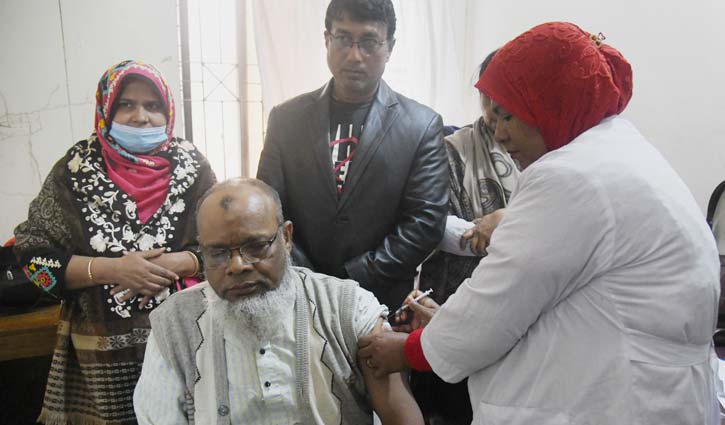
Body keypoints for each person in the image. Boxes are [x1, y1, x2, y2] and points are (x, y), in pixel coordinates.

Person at [359, 22, 721, 424]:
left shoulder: (572, 176)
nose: (500, 133)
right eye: (492, 117)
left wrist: (408, 350)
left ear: (549, 103)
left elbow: (496, 308)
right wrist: (446, 322)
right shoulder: (620, 150)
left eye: (509, 116)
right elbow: (562, 301)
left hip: (617, 400)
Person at [13, 60, 216, 424]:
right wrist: (112, 270)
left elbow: (225, 246)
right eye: (126, 104)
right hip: (100, 360)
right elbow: (31, 258)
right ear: (106, 110)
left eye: (152, 106)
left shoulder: (193, 168)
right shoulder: (74, 170)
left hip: (187, 344)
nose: (141, 117)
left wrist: (180, 262)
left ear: (168, 112)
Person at [133, 178, 423, 425]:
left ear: (286, 237)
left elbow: (401, 416)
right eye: (218, 253)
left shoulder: (347, 307)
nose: (237, 266)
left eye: (256, 246)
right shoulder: (173, 324)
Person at [256, 0, 448, 310]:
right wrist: (309, 279)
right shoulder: (286, 119)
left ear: (390, 47)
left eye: (369, 42)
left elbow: (425, 223)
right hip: (298, 298)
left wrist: (352, 277)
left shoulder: (421, 126)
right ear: (327, 40)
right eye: (343, 39)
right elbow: (268, 210)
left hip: (381, 303)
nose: (354, 55)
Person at [413, 49, 520, 425]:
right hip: (455, 305)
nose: (495, 115)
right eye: (489, 101)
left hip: (518, 314)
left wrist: (507, 223)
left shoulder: (544, 151)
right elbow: (432, 222)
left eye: (506, 104)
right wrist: (489, 232)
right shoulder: (452, 149)